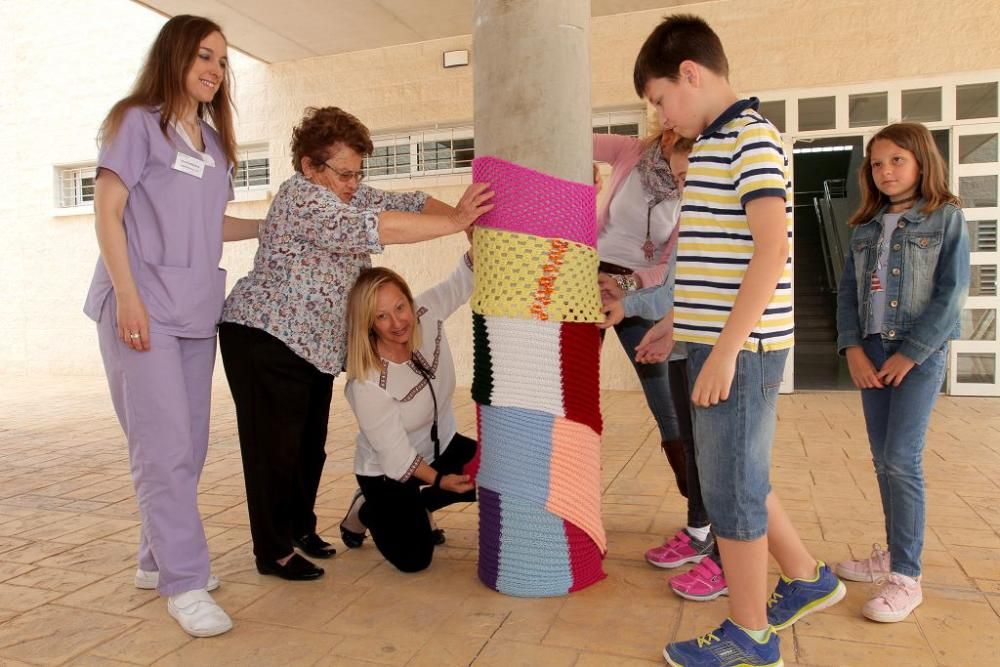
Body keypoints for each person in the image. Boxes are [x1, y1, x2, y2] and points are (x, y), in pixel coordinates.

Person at [632, 15, 845, 665]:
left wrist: (723, 349)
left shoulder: (749, 139)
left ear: (689, 75)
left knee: (732, 490)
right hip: (717, 340)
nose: (663, 116)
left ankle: (751, 636)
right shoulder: (718, 143)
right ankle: (807, 576)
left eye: (661, 99)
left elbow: (772, 248)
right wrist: (678, 322)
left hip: (741, 352)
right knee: (742, 476)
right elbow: (710, 260)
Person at [220, 107, 492, 582]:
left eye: (357, 173)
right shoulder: (303, 198)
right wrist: (455, 225)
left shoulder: (342, 192)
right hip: (265, 339)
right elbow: (378, 229)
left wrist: (460, 217)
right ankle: (273, 550)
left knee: (308, 449)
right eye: (344, 173)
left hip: (314, 348)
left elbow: (406, 204)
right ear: (309, 166)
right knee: (273, 452)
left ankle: (301, 530)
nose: (352, 183)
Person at [84, 15, 262, 638]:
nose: (214, 69)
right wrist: (127, 296)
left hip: (194, 308)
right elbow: (108, 212)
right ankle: (184, 583)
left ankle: (154, 558)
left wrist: (268, 226)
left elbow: (209, 225)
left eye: (222, 61)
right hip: (142, 304)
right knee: (161, 447)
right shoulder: (137, 122)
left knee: (186, 446)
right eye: (203, 56)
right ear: (176, 57)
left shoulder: (213, 148)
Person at [835, 123, 969, 622]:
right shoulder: (865, 228)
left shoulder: (945, 220)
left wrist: (910, 353)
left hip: (918, 353)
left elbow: (951, 296)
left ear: (921, 163)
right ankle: (891, 554)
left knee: (901, 459)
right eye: (876, 163)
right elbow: (849, 294)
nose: (886, 171)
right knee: (881, 459)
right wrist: (852, 348)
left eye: (897, 160)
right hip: (870, 350)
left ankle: (907, 576)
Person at [339, 255, 478, 573]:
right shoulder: (367, 382)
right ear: (369, 324)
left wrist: (477, 242)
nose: (397, 322)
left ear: (409, 300)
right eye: (382, 317)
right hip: (388, 473)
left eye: (400, 307)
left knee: (500, 475)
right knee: (415, 559)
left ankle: (419, 505)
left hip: (441, 447)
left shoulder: (426, 313)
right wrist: (440, 481)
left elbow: (461, 281)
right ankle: (366, 510)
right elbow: (397, 458)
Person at [593, 127, 687, 501]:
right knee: (575, 388)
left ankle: (697, 512)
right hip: (589, 280)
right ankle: (572, 493)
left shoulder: (689, 186)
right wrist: (580, 176)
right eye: (668, 132)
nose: (670, 141)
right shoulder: (628, 151)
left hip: (639, 292)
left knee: (665, 399)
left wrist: (627, 286)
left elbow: (668, 268)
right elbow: (571, 136)